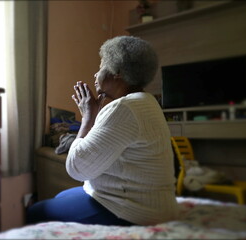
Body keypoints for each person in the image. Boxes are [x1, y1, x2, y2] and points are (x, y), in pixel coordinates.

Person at [26, 36, 178, 226]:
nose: (95, 75)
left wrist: (88, 116)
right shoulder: (146, 101)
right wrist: (96, 115)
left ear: (117, 72)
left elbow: (77, 168)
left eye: (101, 66)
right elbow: (104, 147)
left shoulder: (124, 107)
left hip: (134, 211)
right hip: (154, 205)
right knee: (62, 195)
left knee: (34, 212)